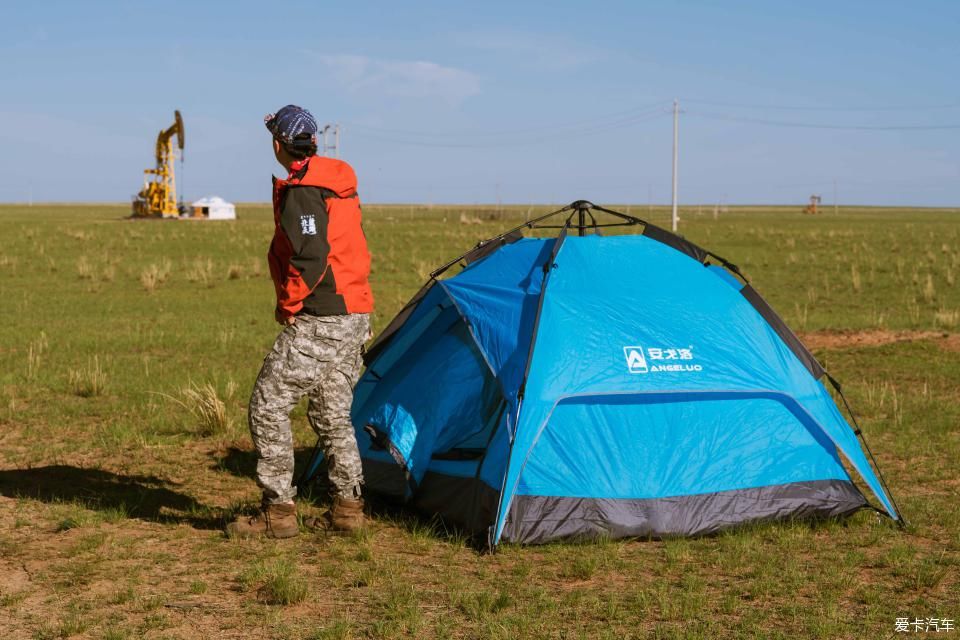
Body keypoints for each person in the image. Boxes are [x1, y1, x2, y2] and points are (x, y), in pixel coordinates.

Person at [226, 105, 374, 539]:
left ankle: (278, 513)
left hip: (323, 318)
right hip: (353, 314)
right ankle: (348, 509)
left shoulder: (305, 191)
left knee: (267, 406)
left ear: (277, 144)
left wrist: (289, 305)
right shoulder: (333, 181)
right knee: (331, 413)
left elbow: (310, 256)